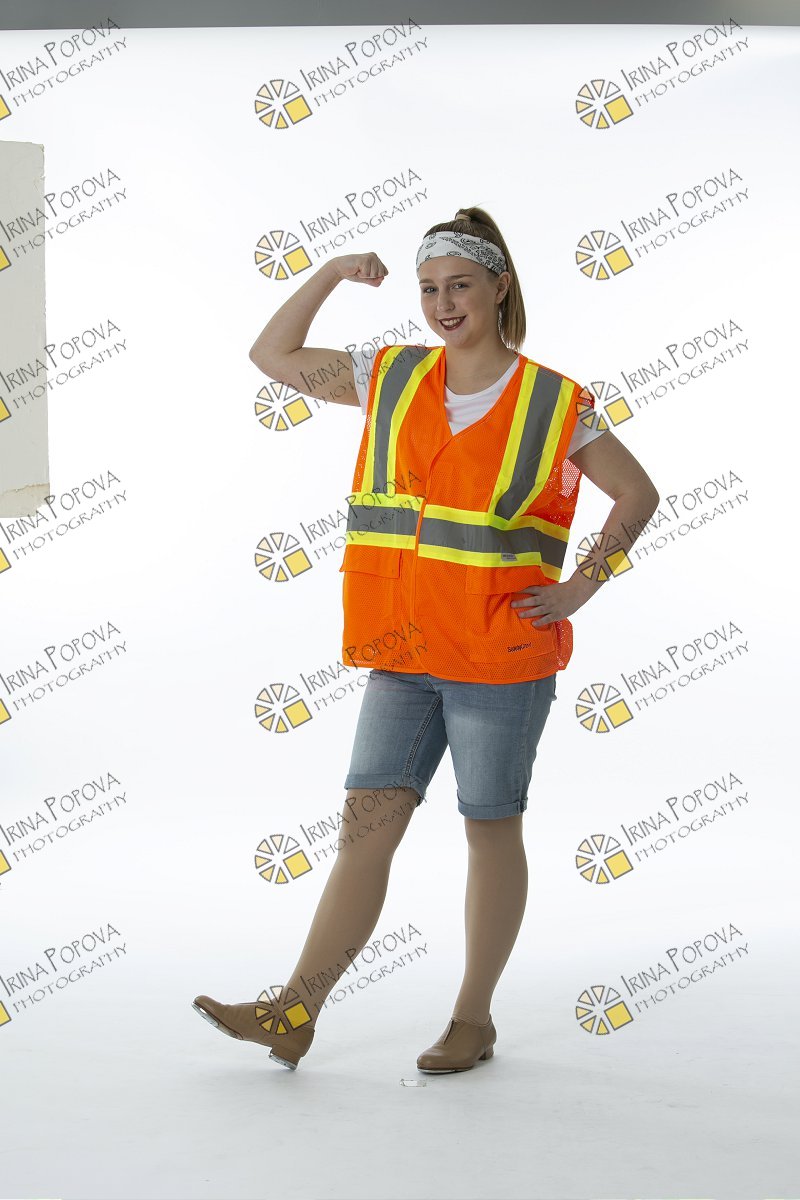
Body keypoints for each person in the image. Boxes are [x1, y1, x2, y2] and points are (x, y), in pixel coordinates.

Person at [193, 207, 660, 1072]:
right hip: (402, 657)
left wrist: (581, 589)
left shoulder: (556, 403)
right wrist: (332, 271)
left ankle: (473, 1021)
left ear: (499, 287)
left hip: (497, 658)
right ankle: (294, 1013)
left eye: (461, 286)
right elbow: (271, 355)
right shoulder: (390, 376)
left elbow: (638, 495)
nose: (444, 304)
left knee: (489, 831)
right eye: (429, 288)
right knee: (364, 834)